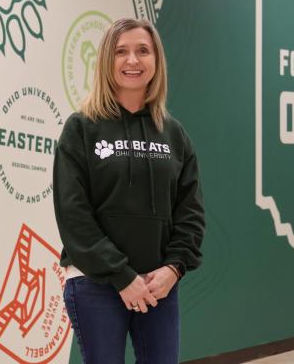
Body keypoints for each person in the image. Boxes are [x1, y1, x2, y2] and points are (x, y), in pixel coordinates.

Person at [53, 18, 205, 364]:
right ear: (107, 60)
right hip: (96, 283)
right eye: (121, 52)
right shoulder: (81, 128)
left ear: (156, 61)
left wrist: (173, 269)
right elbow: (73, 214)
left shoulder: (174, 134)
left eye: (143, 51)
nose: (132, 61)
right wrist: (122, 276)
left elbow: (190, 212)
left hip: (158, 285)